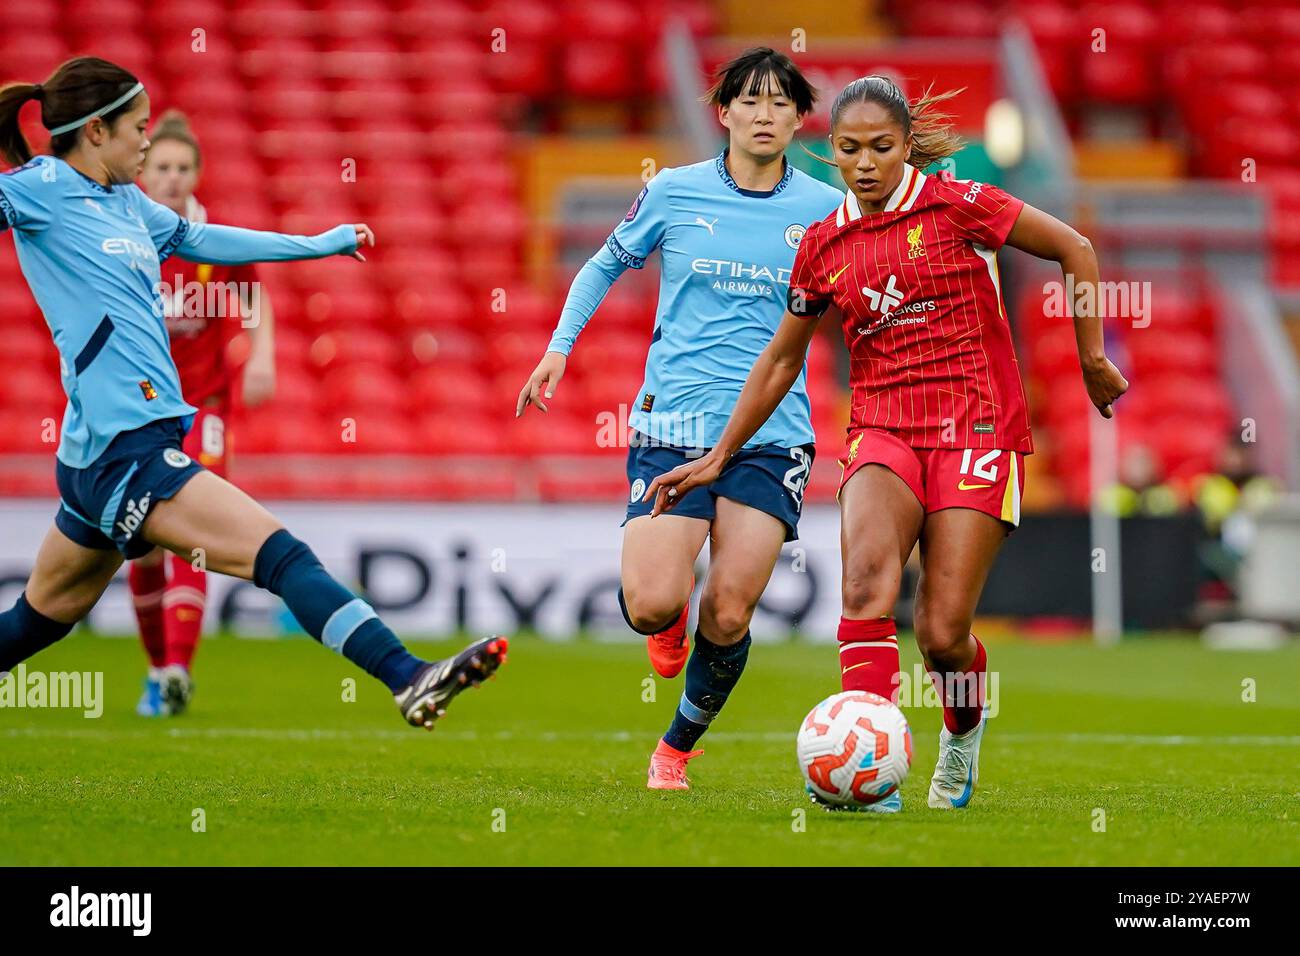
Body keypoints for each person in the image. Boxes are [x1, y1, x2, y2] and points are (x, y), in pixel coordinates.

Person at [645, 75, 1128, 811]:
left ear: (907, 146)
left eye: (880, 147)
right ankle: (871, 779)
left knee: (941, 635)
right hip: (883, 427)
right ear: (830, 152)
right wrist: (718, 455)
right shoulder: (823, 243)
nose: (865, 162)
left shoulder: (959, 205)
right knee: (866, 589)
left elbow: (1076, 248)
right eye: (848, 149)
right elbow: (780, 359)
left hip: (975, 426)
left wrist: (1091, 358)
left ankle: (961, 737)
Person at [0, 56, 506, 728]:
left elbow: (206, 237)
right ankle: (407, 675)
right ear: (95, 131)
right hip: (122, 451)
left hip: (108, 448)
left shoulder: (126, 201)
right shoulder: (38, 189)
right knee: (280, 553)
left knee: (40, 619)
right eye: (138, 127)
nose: (148, 141)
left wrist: (316, 244)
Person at [515, 48, 843, 790]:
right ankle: (665, 625)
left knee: (728, 611)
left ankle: (676, 750)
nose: (764, 114)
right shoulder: (673, 191)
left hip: (773, 433)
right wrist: (558, 349)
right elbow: (603, 263)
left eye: (780, 103)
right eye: (749, 101)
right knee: (651, 600)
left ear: (798, 118)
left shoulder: (825, 209)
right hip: (675, 425)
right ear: (722, 112)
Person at [129, 110, 277, 716]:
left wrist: (263, 355)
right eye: (161, 166)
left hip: (203, 409)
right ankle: (158, 669)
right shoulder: (125, 237)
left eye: (182, 167)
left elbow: (255, 296)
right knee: (140, 545)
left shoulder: (211, 240)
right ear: (142, 171)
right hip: (138, 415)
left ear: (197, 172)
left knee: (192, 533)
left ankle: (178, 673)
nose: (171, 177)